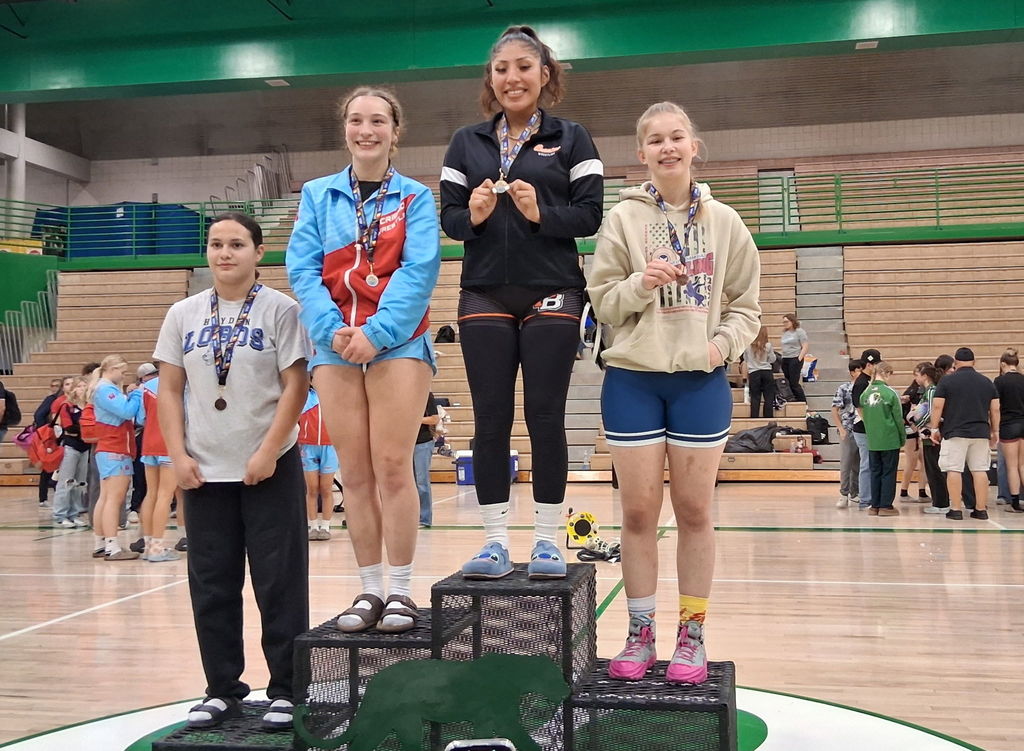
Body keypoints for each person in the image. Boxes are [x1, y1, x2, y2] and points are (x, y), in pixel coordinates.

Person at [587, 101, 760, 683]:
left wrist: (721, 348)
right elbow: (603, 302)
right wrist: (641, 283)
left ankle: (692, 633)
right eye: (655, 140)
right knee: (637, 513)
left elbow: (746, 306)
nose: (667, 147)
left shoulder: (727, 223)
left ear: (694, 146)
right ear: (641, 154)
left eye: (676, 137)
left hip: (699, 381)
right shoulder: (622, 220)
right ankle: (639, 633)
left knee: (693, 511)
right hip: (633, 378)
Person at [440, 25, 604, 580]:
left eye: (524, 66)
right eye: (502, 68)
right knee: (490, 419)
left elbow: (590, 216)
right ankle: (492, 543)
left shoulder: (573, 137)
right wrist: (476, 216)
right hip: (483, 288)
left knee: (544, 416)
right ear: (491, 79)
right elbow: (451, 219)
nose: (512, 77)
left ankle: (546, 540)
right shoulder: (467, 142)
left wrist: (541, 215)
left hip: (553, 287)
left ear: (545, 74)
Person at [287, 87, 440, 633]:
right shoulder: (316, 195)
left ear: (395, 132)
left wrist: (375, 334)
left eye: (378, 121)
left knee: (393, 465)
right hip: (333, 345)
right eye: (356, 120)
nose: (366, 130)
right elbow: (302, 269)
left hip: (397, 343)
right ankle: (369, 589)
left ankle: (400, 591)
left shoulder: (417, 198)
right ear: (345, 129)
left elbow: (419, 273)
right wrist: (333, 331)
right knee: (353, 471)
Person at [156, 211, 309, 730]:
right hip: (204, 468)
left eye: (237, 244)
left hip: (269, 465)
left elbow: (296, 386)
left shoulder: (281, 310)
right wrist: (177, 455)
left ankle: (287, 688)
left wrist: (268, 451)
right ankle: (222, 689)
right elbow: (170, 390)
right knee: (212, 584)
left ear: (258, 252)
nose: (225, 253)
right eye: (216, 244)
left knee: (278, 582)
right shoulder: (182, 313)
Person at [930, 347, 999, 521]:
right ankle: (981, 509)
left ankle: (956, 509)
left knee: (954, 469)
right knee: (980, 469)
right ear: (974, 362)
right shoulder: (986, 382)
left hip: (955, 432)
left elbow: (937, 406)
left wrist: (934, 428)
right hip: (980, 432)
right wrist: (995, 430)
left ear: (956, 362)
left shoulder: (947, 382)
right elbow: (995, 409)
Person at [87, 355, 143, 560]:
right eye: (123, 371)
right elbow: (127, 411)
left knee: (105, 497)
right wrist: (136, 394)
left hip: (109, 447)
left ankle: (101, 542)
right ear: (113, 369)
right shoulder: (106, 389)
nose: (124, 376)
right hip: (115, 447)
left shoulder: (102, 389)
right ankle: (113, 546)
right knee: (114, 499)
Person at [136, 363, 180, 562]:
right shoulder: (180, 384)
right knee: (165, 495)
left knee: (151, 493)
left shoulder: (145, 387)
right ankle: (157, 547)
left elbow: (140, 417)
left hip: (149, 441)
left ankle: (147, 544)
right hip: (168, 442)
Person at [859, 362, 904, 517]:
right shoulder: (891, 393)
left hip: (872, 440)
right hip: (889, 439)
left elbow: (863, 415)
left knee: (875, 472)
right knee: (888, 472)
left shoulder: (865, 394)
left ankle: (874, 505)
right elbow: (898, 418)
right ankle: (886, 506)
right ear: (887, 374)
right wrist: (902, 438)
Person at [298, 387, 339, 540]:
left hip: (330, 446)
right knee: (312, 488)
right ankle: (313, 526)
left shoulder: (333, 394)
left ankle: (326, 526)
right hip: (308, 446)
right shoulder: (306, 396)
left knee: (326, 488)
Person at [51, 377, 90, 528]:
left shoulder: (88, 406)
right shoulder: (67, 406)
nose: (82, 389)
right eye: (78, 386)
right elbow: (69, 427)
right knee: (66, 481)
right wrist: (83, 430)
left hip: (84, 447)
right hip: (70, 447)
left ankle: (74, 513)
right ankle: (60, 514)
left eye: (84, 386)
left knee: (79, 483)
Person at [911, 364, 949, 515]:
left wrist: (918, 422)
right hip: (926, 436)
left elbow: (933, 411)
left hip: (932, 436)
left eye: (917, 375)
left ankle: (942, 503)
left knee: (936, 469)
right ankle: (938, 502)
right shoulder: (926, 392)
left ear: (924, 375)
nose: (916, 378)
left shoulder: (932, 390)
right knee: (931, 469)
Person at [993, 348, 1024, 513]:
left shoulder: (999, 381)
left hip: (1008, 424)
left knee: (1011, 466)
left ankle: (1014, 502)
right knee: (1022, 464)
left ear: (1003, 364)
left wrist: (995, 428)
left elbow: (996, 407)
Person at [32, 376, 71, 507]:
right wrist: (47, 432)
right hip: (54, 435)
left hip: (66, 435)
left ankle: (60, 496)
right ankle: (43, 498)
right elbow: (39, 415)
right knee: (49, 465)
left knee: (60, 466)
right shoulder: (53, 400)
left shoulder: (75, 400)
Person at [851, 349, 880, 509]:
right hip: (863, 429)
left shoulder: (871, 380)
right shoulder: (862, 382)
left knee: (871, 463)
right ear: (869, 364)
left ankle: (870, 497)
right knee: (866, 463)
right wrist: (870, 424)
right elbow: (859, 407)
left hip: (870, 428)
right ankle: (865, 499)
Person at [831, 359, 863, 508]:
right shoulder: (844, 388)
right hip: (848, 428)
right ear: (852, 372)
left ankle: (854, 493)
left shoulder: (866, 387)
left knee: (858, 463)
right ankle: (843, 494)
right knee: (846, 462)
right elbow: (834, 410)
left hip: (862, 429)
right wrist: (841, 428)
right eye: (858, 370)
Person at [899, 364, 929, 502]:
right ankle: (904, 492)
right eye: (916, 375)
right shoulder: (912, 391)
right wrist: (912, 425)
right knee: (911, 461)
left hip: (921, 430)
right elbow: (904, 413)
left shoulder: (926, 391)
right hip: (910, 430)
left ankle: (922, 491)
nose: (917, 378)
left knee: (924, 462)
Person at [414, 392, 440, 528]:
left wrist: (415, 419)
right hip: (405, 443)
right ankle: (411, 517)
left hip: (423, 442)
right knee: (408, 482)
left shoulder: (426, 395)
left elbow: (435, 419)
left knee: (421, 481)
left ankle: (424, 518)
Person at [742, 326, 776, 419]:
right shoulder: (768, 345)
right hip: (767, 372)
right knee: (768, 396)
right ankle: (768, 416)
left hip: (754, 372)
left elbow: (745, 359)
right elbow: (772, 359)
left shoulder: (748, 346)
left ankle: (754, 417)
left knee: (755, 396)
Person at [779, 313, 808, 403]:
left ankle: (803, 401)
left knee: (794, 382)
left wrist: (799, 358)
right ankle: (793, 399)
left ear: (792, 321)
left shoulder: (799, 331)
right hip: (786, 358)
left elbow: (805, 346)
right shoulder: (785, 333)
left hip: (795, 357)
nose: (785, 323)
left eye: (787, 321)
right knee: (788, 381)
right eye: (784, 322)